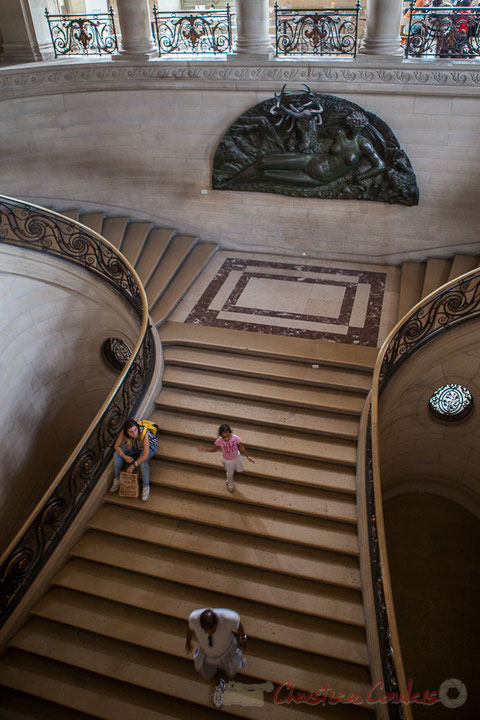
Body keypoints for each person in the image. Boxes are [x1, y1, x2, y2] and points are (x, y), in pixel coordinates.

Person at [223, 111, 385, 191]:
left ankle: (233, 183)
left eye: (357, 126)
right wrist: (295, 139)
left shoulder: (364, 145)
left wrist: (360, 177)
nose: (353, 128)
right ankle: (229, 182)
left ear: (362, 127)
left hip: (319, 178)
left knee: (268, 175)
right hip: (311, 160)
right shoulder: (338, 133)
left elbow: (380, 166)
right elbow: (311, 131)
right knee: (264, 162)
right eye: (352, 125)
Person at [186, 608, 247, 685]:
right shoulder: (194, 618)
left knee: (232, 673)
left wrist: (243, 638)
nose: (209, 633)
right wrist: (188, 642)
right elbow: (190, 628)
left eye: (212, 630)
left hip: (227, 650)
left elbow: (238, 625)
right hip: (207, 653)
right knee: (207, 674)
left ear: (217, 622)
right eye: (206, 631)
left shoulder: (229, 618)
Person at [109, 418, 157, 502]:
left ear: (137, 427)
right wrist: (124, 456)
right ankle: (116, 479)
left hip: (150, 446)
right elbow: (116, 446)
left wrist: (132, 466)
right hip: (135, 445)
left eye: (135, 430)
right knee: (116, 454)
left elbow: (145, 455)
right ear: (126, 432)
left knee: (143, 462)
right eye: (131, 432)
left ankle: (146, 487)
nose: (134, 433)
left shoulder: (143, 433)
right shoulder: (124, 432)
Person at [198, 423, 255, 492]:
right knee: (230, 473)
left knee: (240, 469)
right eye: (224, 437)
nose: (226, 439)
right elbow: (214, 449)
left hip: (237, 456)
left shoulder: (235, 438)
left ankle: (226, 466)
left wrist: (247, 456)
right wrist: (205, 449)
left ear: (231, 433)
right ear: (220, 436)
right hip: (228, 460)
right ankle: (229, 482)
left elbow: (241, 447)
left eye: (228, 436)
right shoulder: (219, 441)